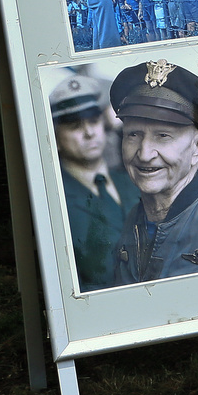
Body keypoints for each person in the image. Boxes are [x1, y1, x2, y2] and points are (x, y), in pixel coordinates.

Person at [107, 59, 198, 285]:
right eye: (133, 134)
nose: (144, 154)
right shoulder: (133, 218)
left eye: (163, 136)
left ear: (197, 146)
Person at [49, 72, 140, 291]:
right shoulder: (54, 197)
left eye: (93, 121)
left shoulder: (135, 182)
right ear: (56, 139)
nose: (89, 133)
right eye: (75, 126)